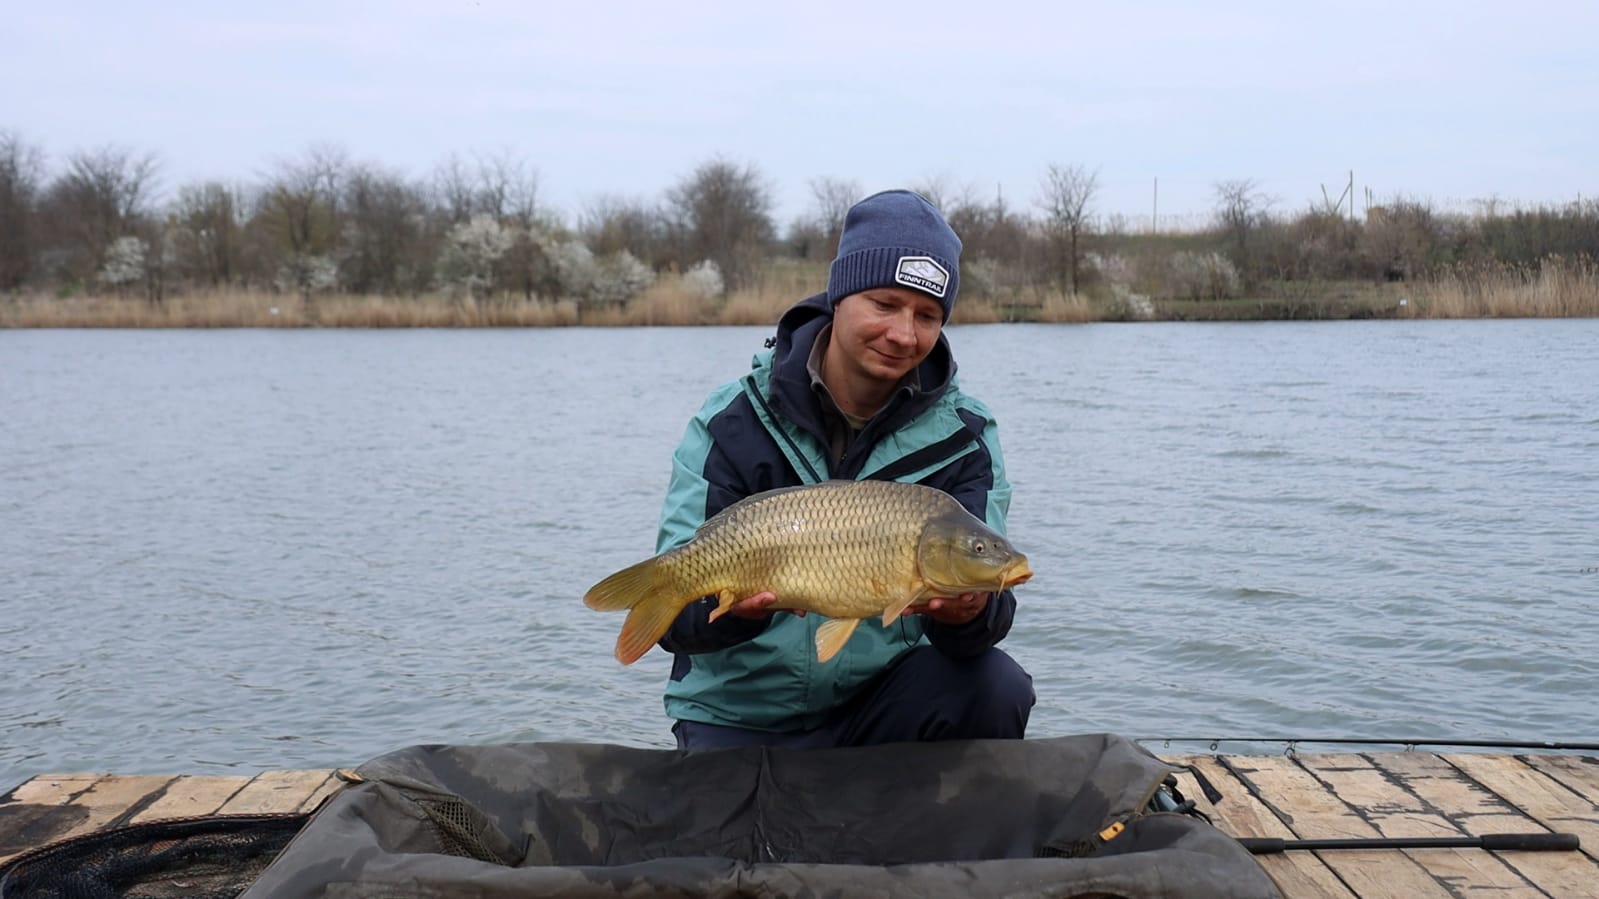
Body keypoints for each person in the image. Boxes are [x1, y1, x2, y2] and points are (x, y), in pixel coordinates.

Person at [654, 189, 1033, 750]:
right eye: (885, 304)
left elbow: (980, 626)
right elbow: (677, 626)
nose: (904, 334)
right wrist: (740, 612)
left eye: (927, 315)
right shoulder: (731, 421)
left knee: (997, 685)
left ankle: (947, 831)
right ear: (840, 296)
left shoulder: (966, 436)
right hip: (740, 711)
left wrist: (969, 610)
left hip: (883, 705)